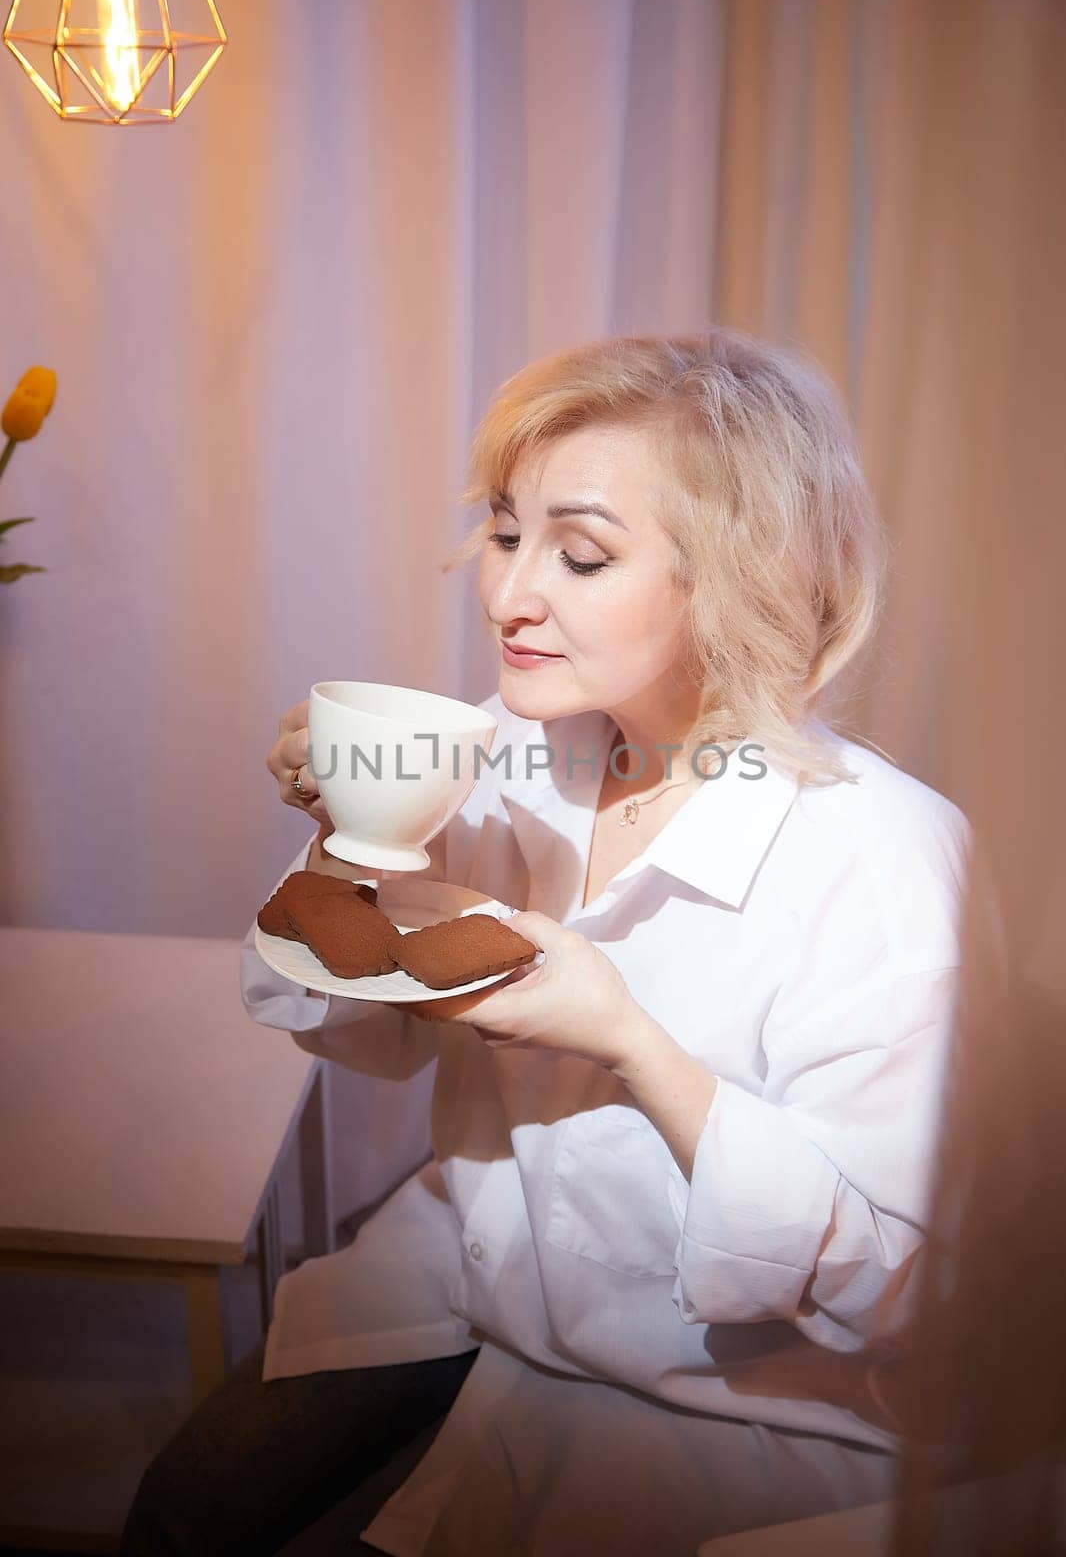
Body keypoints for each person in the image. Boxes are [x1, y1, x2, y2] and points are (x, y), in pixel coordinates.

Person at [121, 330, 972, 1555]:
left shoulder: (881, 860)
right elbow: (312, 1006)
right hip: (465, 1272)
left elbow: (899, 1285)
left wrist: (627, 1039)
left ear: (741, 576)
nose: (511, 594)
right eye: (508, 532)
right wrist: (351, 836)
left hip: (725, 1382)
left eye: (580, 554)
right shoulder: (508, 742)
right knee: (179, 1515)